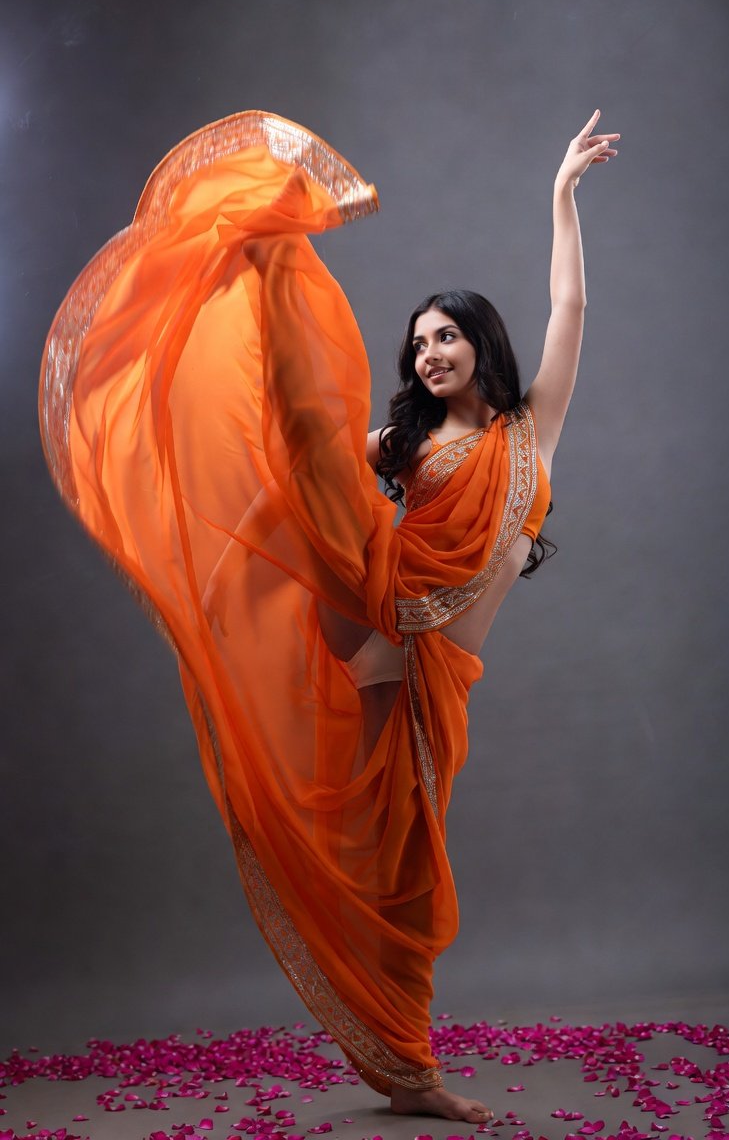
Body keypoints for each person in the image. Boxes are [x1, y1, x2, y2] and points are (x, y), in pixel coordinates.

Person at [39, 108, 619, 1126]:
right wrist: (222, 533)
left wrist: (560, 196)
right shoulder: (401, 444)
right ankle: (263, 261)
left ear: (481, 345)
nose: (429, 352)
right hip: (380, 624)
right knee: (312, 442)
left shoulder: (532, 431)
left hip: (435, 673)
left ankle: (401, 1068)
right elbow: (298, 467)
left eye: (445, 336)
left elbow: (569, 307)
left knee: (401, 879)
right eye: (418, 342)